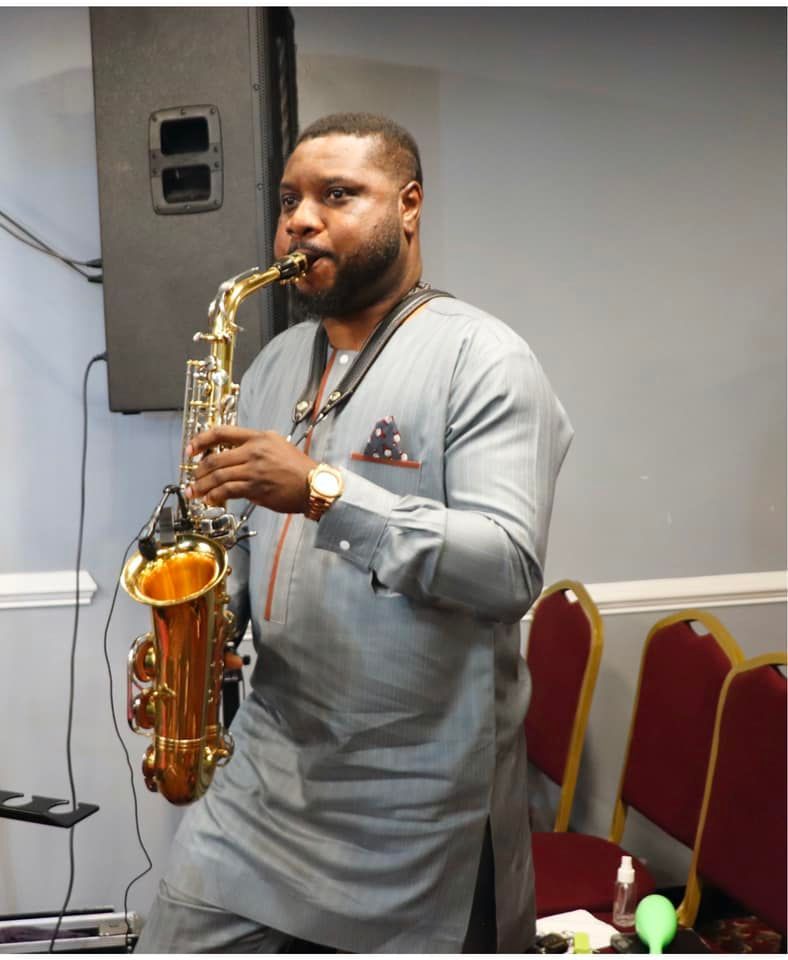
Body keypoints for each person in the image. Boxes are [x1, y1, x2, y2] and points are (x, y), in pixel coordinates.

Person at [135, 112, 573, 954]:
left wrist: (325, 493)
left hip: (416, 807)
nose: (302, 218)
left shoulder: (484, 358)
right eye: (291, 199)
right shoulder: (273, 364)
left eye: (339, 194)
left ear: (408, 207)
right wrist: (206, 631)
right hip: (268, 779)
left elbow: (509, 568)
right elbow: (235, 540)